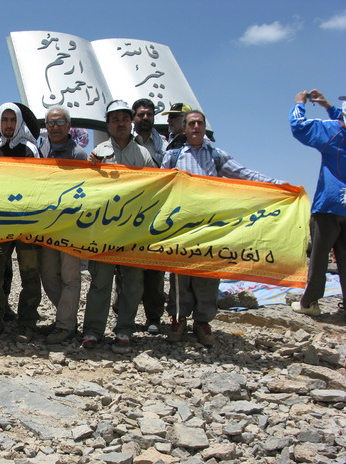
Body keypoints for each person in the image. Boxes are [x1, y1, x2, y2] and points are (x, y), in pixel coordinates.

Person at [162, 110, 286, 346]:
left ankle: (202, 321)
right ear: (185, 128)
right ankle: (178, 319)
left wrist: (278, 185)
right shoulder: (173, 156)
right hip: (181, 227)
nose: (196, 127)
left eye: (199, 123)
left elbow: (244, 173)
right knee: (180, 277)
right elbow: (160, 184)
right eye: (191, 123)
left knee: (208, 275)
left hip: (212, 228)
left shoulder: (217, 155)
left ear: (204, 127)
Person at [84, 101, 155, 352]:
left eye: (125, 118)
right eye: (115, 119)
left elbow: (154, 189)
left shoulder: (144, 155)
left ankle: (124, 329)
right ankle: (93, 331)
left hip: (133, 231)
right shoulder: (97, 152)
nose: (120, 123)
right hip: (104, 230)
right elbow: (88, 189)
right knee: (100, 282)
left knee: (133, 282)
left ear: (131, 121)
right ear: (108, 124)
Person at [0, 102, 42, 342]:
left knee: (30, 273)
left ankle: (27, 323)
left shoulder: (30, 149)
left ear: (19, 122)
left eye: (12, 120)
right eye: (4, 120)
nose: (8, 124)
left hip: (26, 222)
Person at [289, 89, 346, 316]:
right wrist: (328, 106)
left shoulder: (333, 131)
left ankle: (310, 303)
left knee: (319, 256)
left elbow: (299, 126)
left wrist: (300, 104)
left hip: (330, 203)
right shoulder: (337, 124)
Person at [38, 106, 88, 344]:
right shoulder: (41, 149)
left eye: (59, 123)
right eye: (50, 123)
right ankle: (65, 317)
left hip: (70, 225)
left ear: (69, 126)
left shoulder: (79, 154)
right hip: (46, 224)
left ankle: (65, 324)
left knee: (70, 277)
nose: (54, 127)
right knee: (48, 276)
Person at [130, 99, 168, 334]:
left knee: (154, 269)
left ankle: (153, 317)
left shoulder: (165, 145)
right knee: (126, 267)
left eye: (149, 115)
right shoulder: (123, 140)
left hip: (156, 213)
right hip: (127, 214)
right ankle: (124, 315)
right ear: (134, 117)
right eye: (141, 115)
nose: (145, 118)